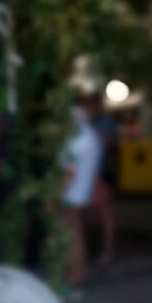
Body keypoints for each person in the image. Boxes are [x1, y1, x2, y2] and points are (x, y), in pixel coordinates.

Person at [60, 106, 102, 287]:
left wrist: (55, 195)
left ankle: (73, 277)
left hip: (71, 194)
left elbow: (69, 173)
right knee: (75, 235)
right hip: (79, 192)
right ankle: (76, 275)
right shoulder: (88, 136)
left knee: (71, 236)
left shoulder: (78, 140)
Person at [83, 93, 117, 265]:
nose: (87, 109)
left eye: (90, 105)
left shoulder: (104, 122)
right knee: (87, 213)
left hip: (100, 174)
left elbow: (106, 144)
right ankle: (91, 249)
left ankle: (107, 251)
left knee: (104, 214)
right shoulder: (89, 122)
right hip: (88, 175)